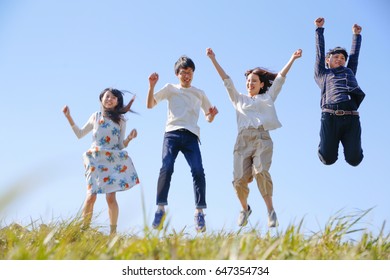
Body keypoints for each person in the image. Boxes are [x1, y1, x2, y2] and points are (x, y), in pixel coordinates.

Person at [206, 47, 302, 228]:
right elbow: (226, 80)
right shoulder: (238, 99)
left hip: (262, 138)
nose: (250, 83)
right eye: (248, 81)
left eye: (254, 81)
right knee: (239, 179)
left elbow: (280, 79)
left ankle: (270, 211)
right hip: (242, 141)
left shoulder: (268, 97)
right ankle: (245, 209)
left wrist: (292, 58)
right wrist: (213, 59)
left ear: (262, 84)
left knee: (261, 172)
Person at [147, 55, 218, 232]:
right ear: (177, 74)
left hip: (191, 136)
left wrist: (212, 115)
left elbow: (208, 117)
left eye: (190, 72)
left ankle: (199, 212)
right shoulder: (170, 89)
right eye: (184, 72)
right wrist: (152, 86)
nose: (187, 76)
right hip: (171, 134)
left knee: (198, 170)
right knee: (166, 167)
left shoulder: (199, 93)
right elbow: (150, 105)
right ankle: (160, 209)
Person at [62, 88, 140, 235]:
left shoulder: (121, 120)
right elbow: (79, 134)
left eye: (113, 98)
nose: (109, 99)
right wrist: (68, 117)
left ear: (117, 102)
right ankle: (83, 229)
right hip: (95, 158)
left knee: (111, 197)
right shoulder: (96, 116)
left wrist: (129, 138)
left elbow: (120, 145)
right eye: (107, 96)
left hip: (111, 159)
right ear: (102, 99)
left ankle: (113, 233)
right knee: (91, 195)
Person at [314, 17, 365, 166]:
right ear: (327, 61)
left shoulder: (349, 71)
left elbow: (354, 57)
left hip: (351, 117)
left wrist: (356, 35)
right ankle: (323, 145)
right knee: (327, 159)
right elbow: (319, 53)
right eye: (336, 57)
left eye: (343, 58)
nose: (340, 59)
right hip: (330, 116)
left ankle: (353, 150)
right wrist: (319, 30)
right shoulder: (323, 74)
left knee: (354, 160)